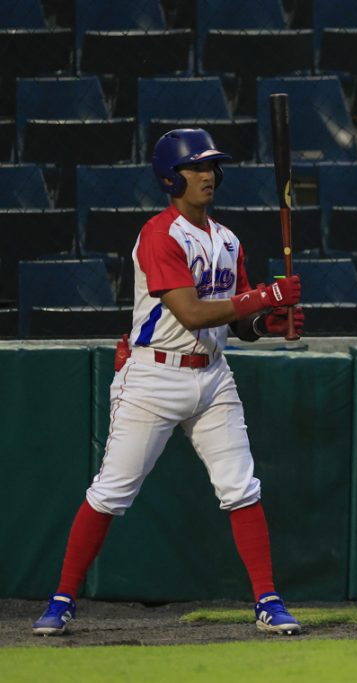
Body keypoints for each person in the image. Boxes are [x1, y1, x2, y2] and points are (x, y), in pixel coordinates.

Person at [32, 129, 305, 636]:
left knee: (241, 487)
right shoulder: (160, 234)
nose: (207, 174)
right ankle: (62, 598)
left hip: (213, 376)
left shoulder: (228, 240)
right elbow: (191, 311)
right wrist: (267, 295)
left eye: (212, 166)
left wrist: (268, 323)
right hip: (153, 376)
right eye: (195, 167)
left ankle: (268, 600)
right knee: (111, 491)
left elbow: (235, 320)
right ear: (169, 177)